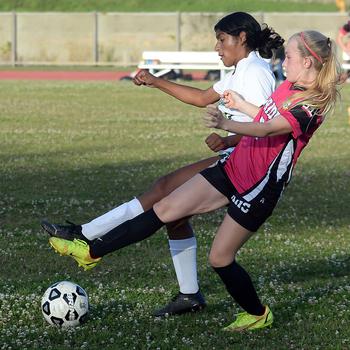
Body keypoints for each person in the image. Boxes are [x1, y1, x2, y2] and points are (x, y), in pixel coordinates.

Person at [48, 30, 341, 331]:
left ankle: (257, 313)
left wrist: (226, 123)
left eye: (290, 56)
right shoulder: (289, 86)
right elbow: (265, 116)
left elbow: (269, 130)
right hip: (232, 169)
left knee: (220, 258)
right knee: (165, 208)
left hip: (257, 189)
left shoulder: (311, 107)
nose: (284, 61)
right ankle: (90, 251)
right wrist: (240, 107)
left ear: (307, 62)